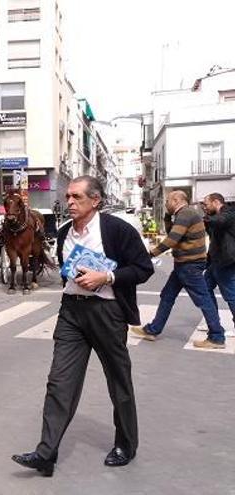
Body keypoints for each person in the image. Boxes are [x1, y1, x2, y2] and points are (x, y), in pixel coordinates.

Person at [12, 176, 153, 477]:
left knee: (118, 381)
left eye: (76, 197)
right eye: (68, 197)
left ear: (96, 200)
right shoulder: (64, 233)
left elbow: (143, 268)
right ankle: (46, 453)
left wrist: (107, 278)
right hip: (72, 314)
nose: (70, 202)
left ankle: (126, 445)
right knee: (59, 381)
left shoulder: (117, 230)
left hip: (107, 312)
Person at [130, 190, 226, 349]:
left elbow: (172, 239)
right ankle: (153, 329)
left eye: (168, 200)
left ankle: (217, 337)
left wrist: (150, 254)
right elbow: (173, 233)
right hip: (183, 264)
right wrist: (167, 217)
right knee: (167, 296)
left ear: (176, 200)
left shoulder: (186, 214)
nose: (166, 203)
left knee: (203, 300)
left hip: (189, 265)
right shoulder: (184, 214)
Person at [202, 193, 235, 336]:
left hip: (226, 261)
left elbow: (220, 222)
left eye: (206, 204)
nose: (204, 207)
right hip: (215, 262)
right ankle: (214, 322)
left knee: (230, 295)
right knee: (205, 290)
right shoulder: (216, 217)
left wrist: (203, 218)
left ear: (216, 202)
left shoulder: (229, 213)